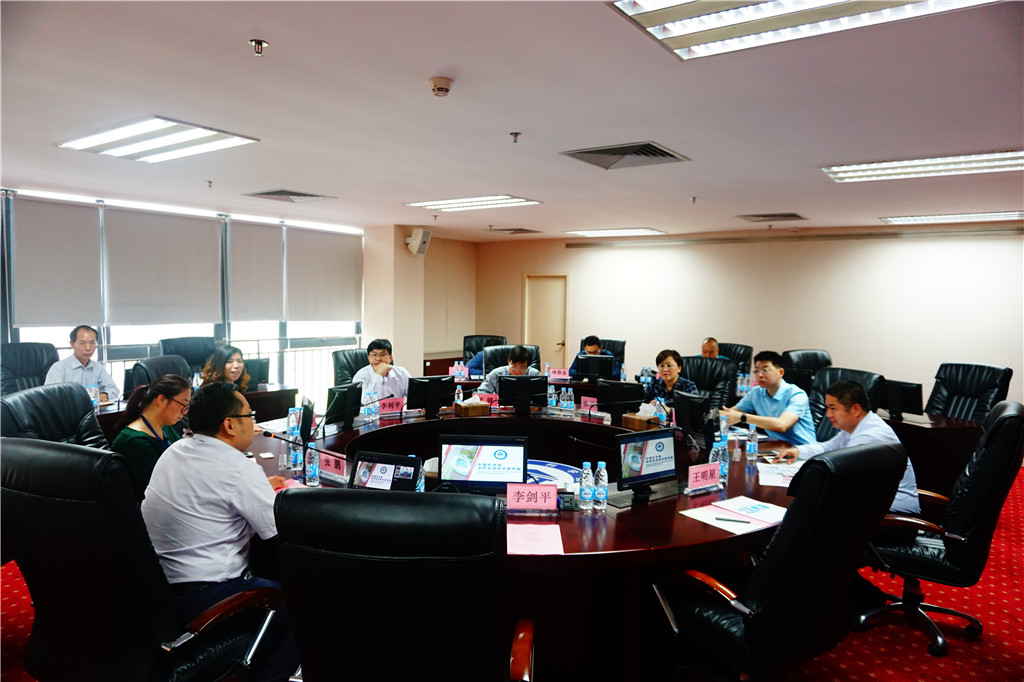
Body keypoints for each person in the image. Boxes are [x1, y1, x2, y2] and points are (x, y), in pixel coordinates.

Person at [141, 383, 296, 681]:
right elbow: (283, 533)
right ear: (230, 424)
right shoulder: (238, 468)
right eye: (250, 415)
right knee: (307, 607)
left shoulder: (174, 451)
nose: (254, 422)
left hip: (156, 589)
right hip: (206, 595)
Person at [777, 380, 920, 515]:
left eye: (833, 408)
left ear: (856, 409)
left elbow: (843, 476)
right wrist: (798, 451)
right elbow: (827, 448)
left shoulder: (870, 436)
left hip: (893, 516)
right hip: (874, 505)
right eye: (827, 408)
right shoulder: (856, 427)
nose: (828, 414)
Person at [110, 374, 191, 498]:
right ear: (161, 400)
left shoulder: (165, 427)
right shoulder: (135, 441)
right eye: (183, 405)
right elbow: (159, 487)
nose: (185, 412)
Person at [720, 350, 815, 445]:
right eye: (756, 371)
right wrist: (713, 414)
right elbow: (730, 413)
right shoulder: (756, 392)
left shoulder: (797, 394)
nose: (759, 375)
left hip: (803, 448)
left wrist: (743, 417)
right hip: (776, 446)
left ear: (780, 372)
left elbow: (782, 425)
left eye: (765, 370)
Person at [44, 324, 119, 401]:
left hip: (94, 408)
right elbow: (51, 396)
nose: (88, 348)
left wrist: (105, 394)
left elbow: (113, 389)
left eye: (92, 343)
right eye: (82, 343)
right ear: (72, 344)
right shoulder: (59, 368)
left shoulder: (98, 367)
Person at [475, 344, 541, 395]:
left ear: (528, 366)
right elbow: (481, 392)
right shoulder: (497, 373)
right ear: (508, 361)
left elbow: (544, 396)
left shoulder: (535, 374)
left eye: (522, 367)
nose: (517, 371)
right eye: (514, 366)